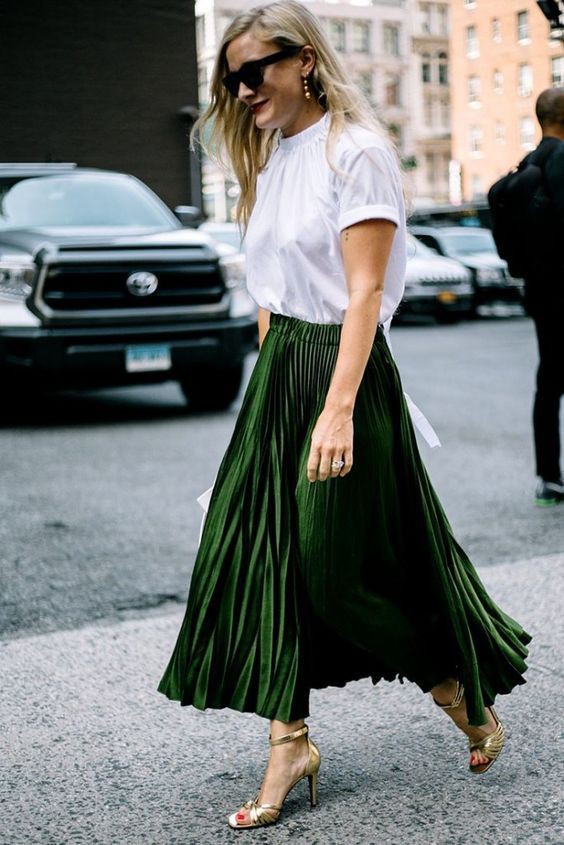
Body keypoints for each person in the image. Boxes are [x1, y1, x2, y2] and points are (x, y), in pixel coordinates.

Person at [158, 0, 531, 830]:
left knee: (330, 564)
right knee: (265, 559)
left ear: (304, 63)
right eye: (232, 78)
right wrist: (268, 393)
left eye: (256, 70)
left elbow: (364, 293)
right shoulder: (269, 154)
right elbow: (270, 293)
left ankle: (449, 681)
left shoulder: (353, 151)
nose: (243, 88)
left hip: (342, 371)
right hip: (283, 369)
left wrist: (338, 411)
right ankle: (288, 739)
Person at [525, 89, 564, 506]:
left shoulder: (527, 164)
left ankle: (548, 475)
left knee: (548, 381)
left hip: (539, 292)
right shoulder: (560, 161)